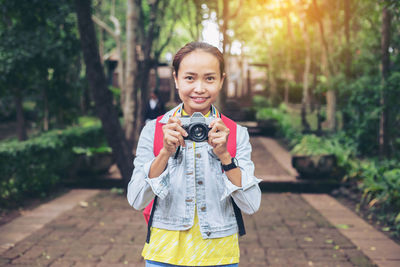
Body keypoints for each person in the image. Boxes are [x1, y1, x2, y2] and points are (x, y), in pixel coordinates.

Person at [127, 42, 261, 267]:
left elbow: (251, 205)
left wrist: (225, 158)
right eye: (190, 78)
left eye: (209, 78)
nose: (199, 88)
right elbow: (136, 199)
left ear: (221, 80)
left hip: (219, 254)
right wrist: (164, 154)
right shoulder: (155, 129)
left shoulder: (235, 133)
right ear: (176, 79)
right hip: (165, 253)